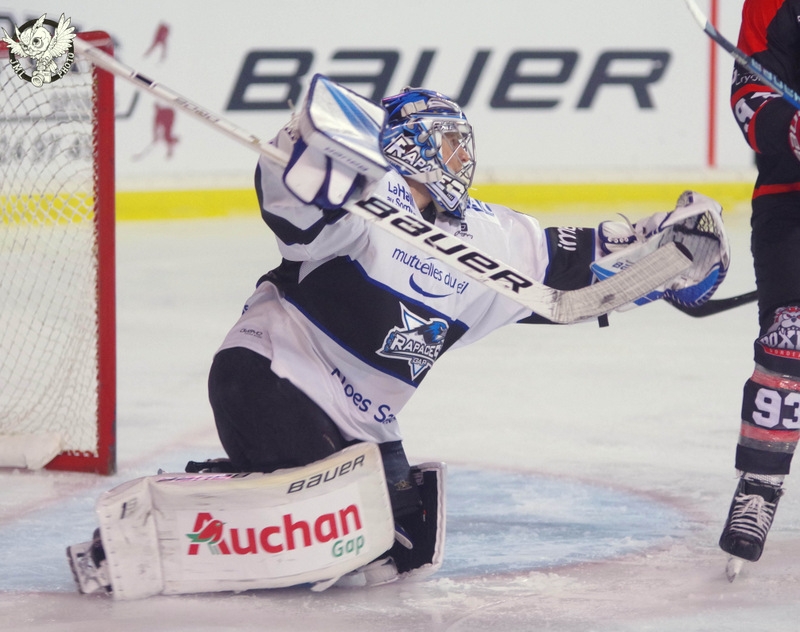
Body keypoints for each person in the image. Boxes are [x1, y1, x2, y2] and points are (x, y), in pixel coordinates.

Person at [68, 80, 730, 596]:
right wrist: (305, 150)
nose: (463, 161)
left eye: (465, 145)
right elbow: (291, 206)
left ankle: (220, 493)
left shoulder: (492, 236)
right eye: (449, 145)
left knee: (398, 550)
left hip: (365, 422)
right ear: (408, 146)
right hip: (271, 377)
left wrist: (673, 255)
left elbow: (582, 266)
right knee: (325, 541)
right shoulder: (359, 205)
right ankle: (144, 534)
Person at [719, 0, 800, 575]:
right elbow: (751, 97)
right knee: (790, 338)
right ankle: (760, 487)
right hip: (790, 203)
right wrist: (790, 127)